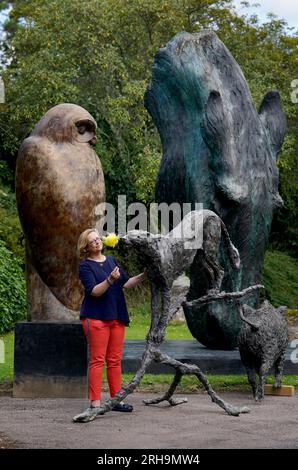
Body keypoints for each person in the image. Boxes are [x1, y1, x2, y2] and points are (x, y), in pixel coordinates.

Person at [73, 228, 145, 423]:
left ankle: (116, 401)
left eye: (98, 239)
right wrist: (109, 280)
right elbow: (94, 292)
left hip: (116, 316)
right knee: (97, 360)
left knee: (114, 360)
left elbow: (126, 283)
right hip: (95, 318)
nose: (97, 242)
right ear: (86, 247)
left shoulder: (111, 260)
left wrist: (145, 274)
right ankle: (95, 404)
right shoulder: (85, 266)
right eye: (92, 241)